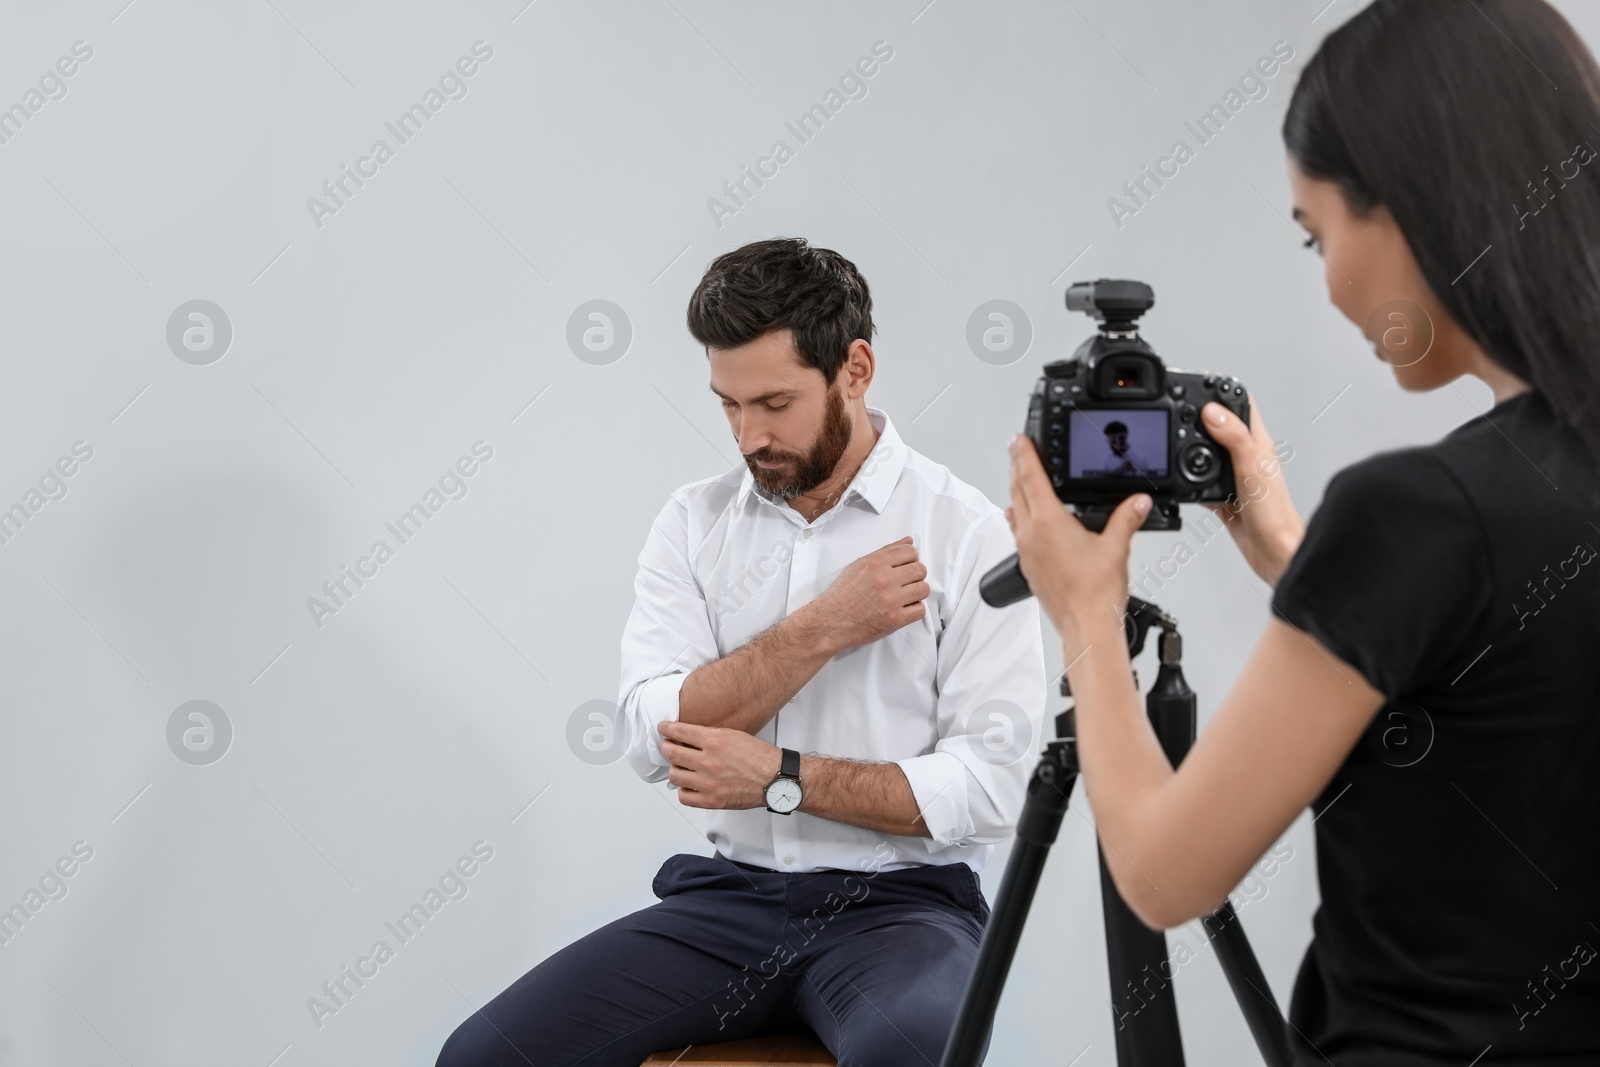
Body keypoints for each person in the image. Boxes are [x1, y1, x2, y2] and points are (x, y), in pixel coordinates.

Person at [1007, 1, 1600, 1064]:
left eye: (1317, 233)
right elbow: (1507, 701)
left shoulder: (1420, 509)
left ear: (1414, 201)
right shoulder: (1481, 508)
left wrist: (1085, 614)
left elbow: (1162, 869)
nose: (1325, 284)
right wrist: (1300, 555)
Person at [436, 238, 1045, 1067]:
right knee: (482, 1059)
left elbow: (993, 784)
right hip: (729, 905)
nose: (749, 434)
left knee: (915, 1055)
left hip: (902, 909)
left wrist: (778, 777)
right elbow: (654, 738)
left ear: (855, 370)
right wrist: (822, 627)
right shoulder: (694, 523)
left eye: (775, 402)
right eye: (728, 404)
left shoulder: (966, 532)